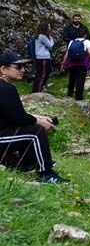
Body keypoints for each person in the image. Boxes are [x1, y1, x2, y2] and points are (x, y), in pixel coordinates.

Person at [0, 51, 68, 184]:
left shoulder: (4, 87)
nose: (23, 70)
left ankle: (28, 164)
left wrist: (39, 117)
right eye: (18, 67)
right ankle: (46, 173)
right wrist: (41, 122)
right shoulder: (5, 89)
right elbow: (19, 118)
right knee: (36, 132)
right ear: (3, 69)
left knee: (30, 127)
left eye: (24, 66)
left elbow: (13, 114)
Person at [62, 28, 90, 101]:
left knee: (72, 78)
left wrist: (63, 62)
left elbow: (67, 53)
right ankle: (78, 97)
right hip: (81, 63)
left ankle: (69, 94)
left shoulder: (71, 41)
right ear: (85, 35)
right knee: (80, 79)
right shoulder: (86, 41)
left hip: (72, 62)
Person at [32, 21, 54, 93]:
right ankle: (38, 91)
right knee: (42, 74)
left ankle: (40, 87)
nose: (50, 28)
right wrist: (51, 38)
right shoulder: (42, 36)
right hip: (43, 57)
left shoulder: (39, 36)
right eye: (48, 26)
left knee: (45, 71)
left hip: (41, 57)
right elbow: (50, 46)